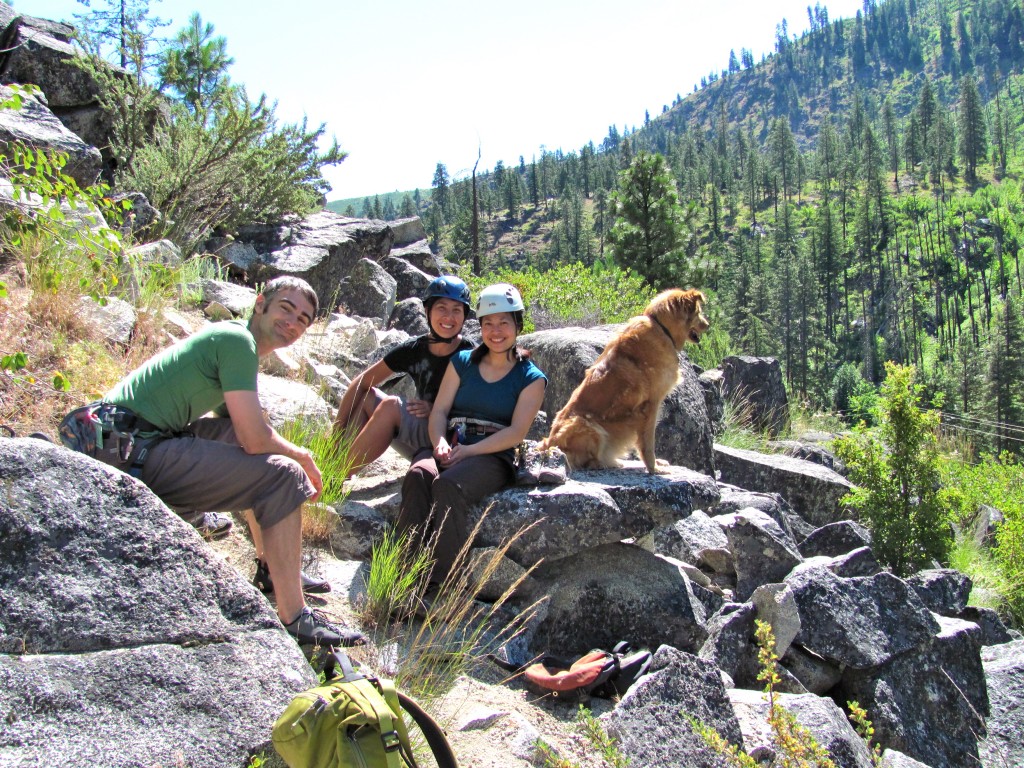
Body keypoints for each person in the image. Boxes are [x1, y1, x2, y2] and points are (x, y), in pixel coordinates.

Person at [59, 276, 363, 648]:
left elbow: (242, 430)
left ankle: (273, 568)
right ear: (260, 302)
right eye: (286, 308)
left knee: (263, 452)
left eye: (303, 319)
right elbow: (255, 440)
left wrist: (274, 446)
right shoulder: (237, 342)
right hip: (126, 450)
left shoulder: (236, 339)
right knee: (283, 474)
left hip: (123, 437)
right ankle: (297, 620)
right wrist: (302, 455)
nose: (293, 322)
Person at [398, 283, 547, 596]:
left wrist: (469, 452)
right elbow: (439, 411)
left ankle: (441, 585)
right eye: (488, 323)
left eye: (504, 323)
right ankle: (403, 571)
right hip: (452, 440)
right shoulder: (462, 362)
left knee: (448, 485)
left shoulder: (531, 378)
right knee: (419, 474)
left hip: (493, 454)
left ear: (518, 325)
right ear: (479, 327)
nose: (495, 331)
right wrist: (438, 442)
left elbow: (516, 432)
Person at [333, 275, 474, 477]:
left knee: (391, 406)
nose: (448, 317)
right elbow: (362, 382)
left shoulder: (470, 355)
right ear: (427, 311)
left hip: (449, 443)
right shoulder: (415, 349)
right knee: (367, 396)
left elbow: (480, 409)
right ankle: (334, 463)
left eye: (456, 310)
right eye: (441, 308)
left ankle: (334, 477)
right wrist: (336, 435)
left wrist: (437, 410)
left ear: (464, 316)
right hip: (421, 433)